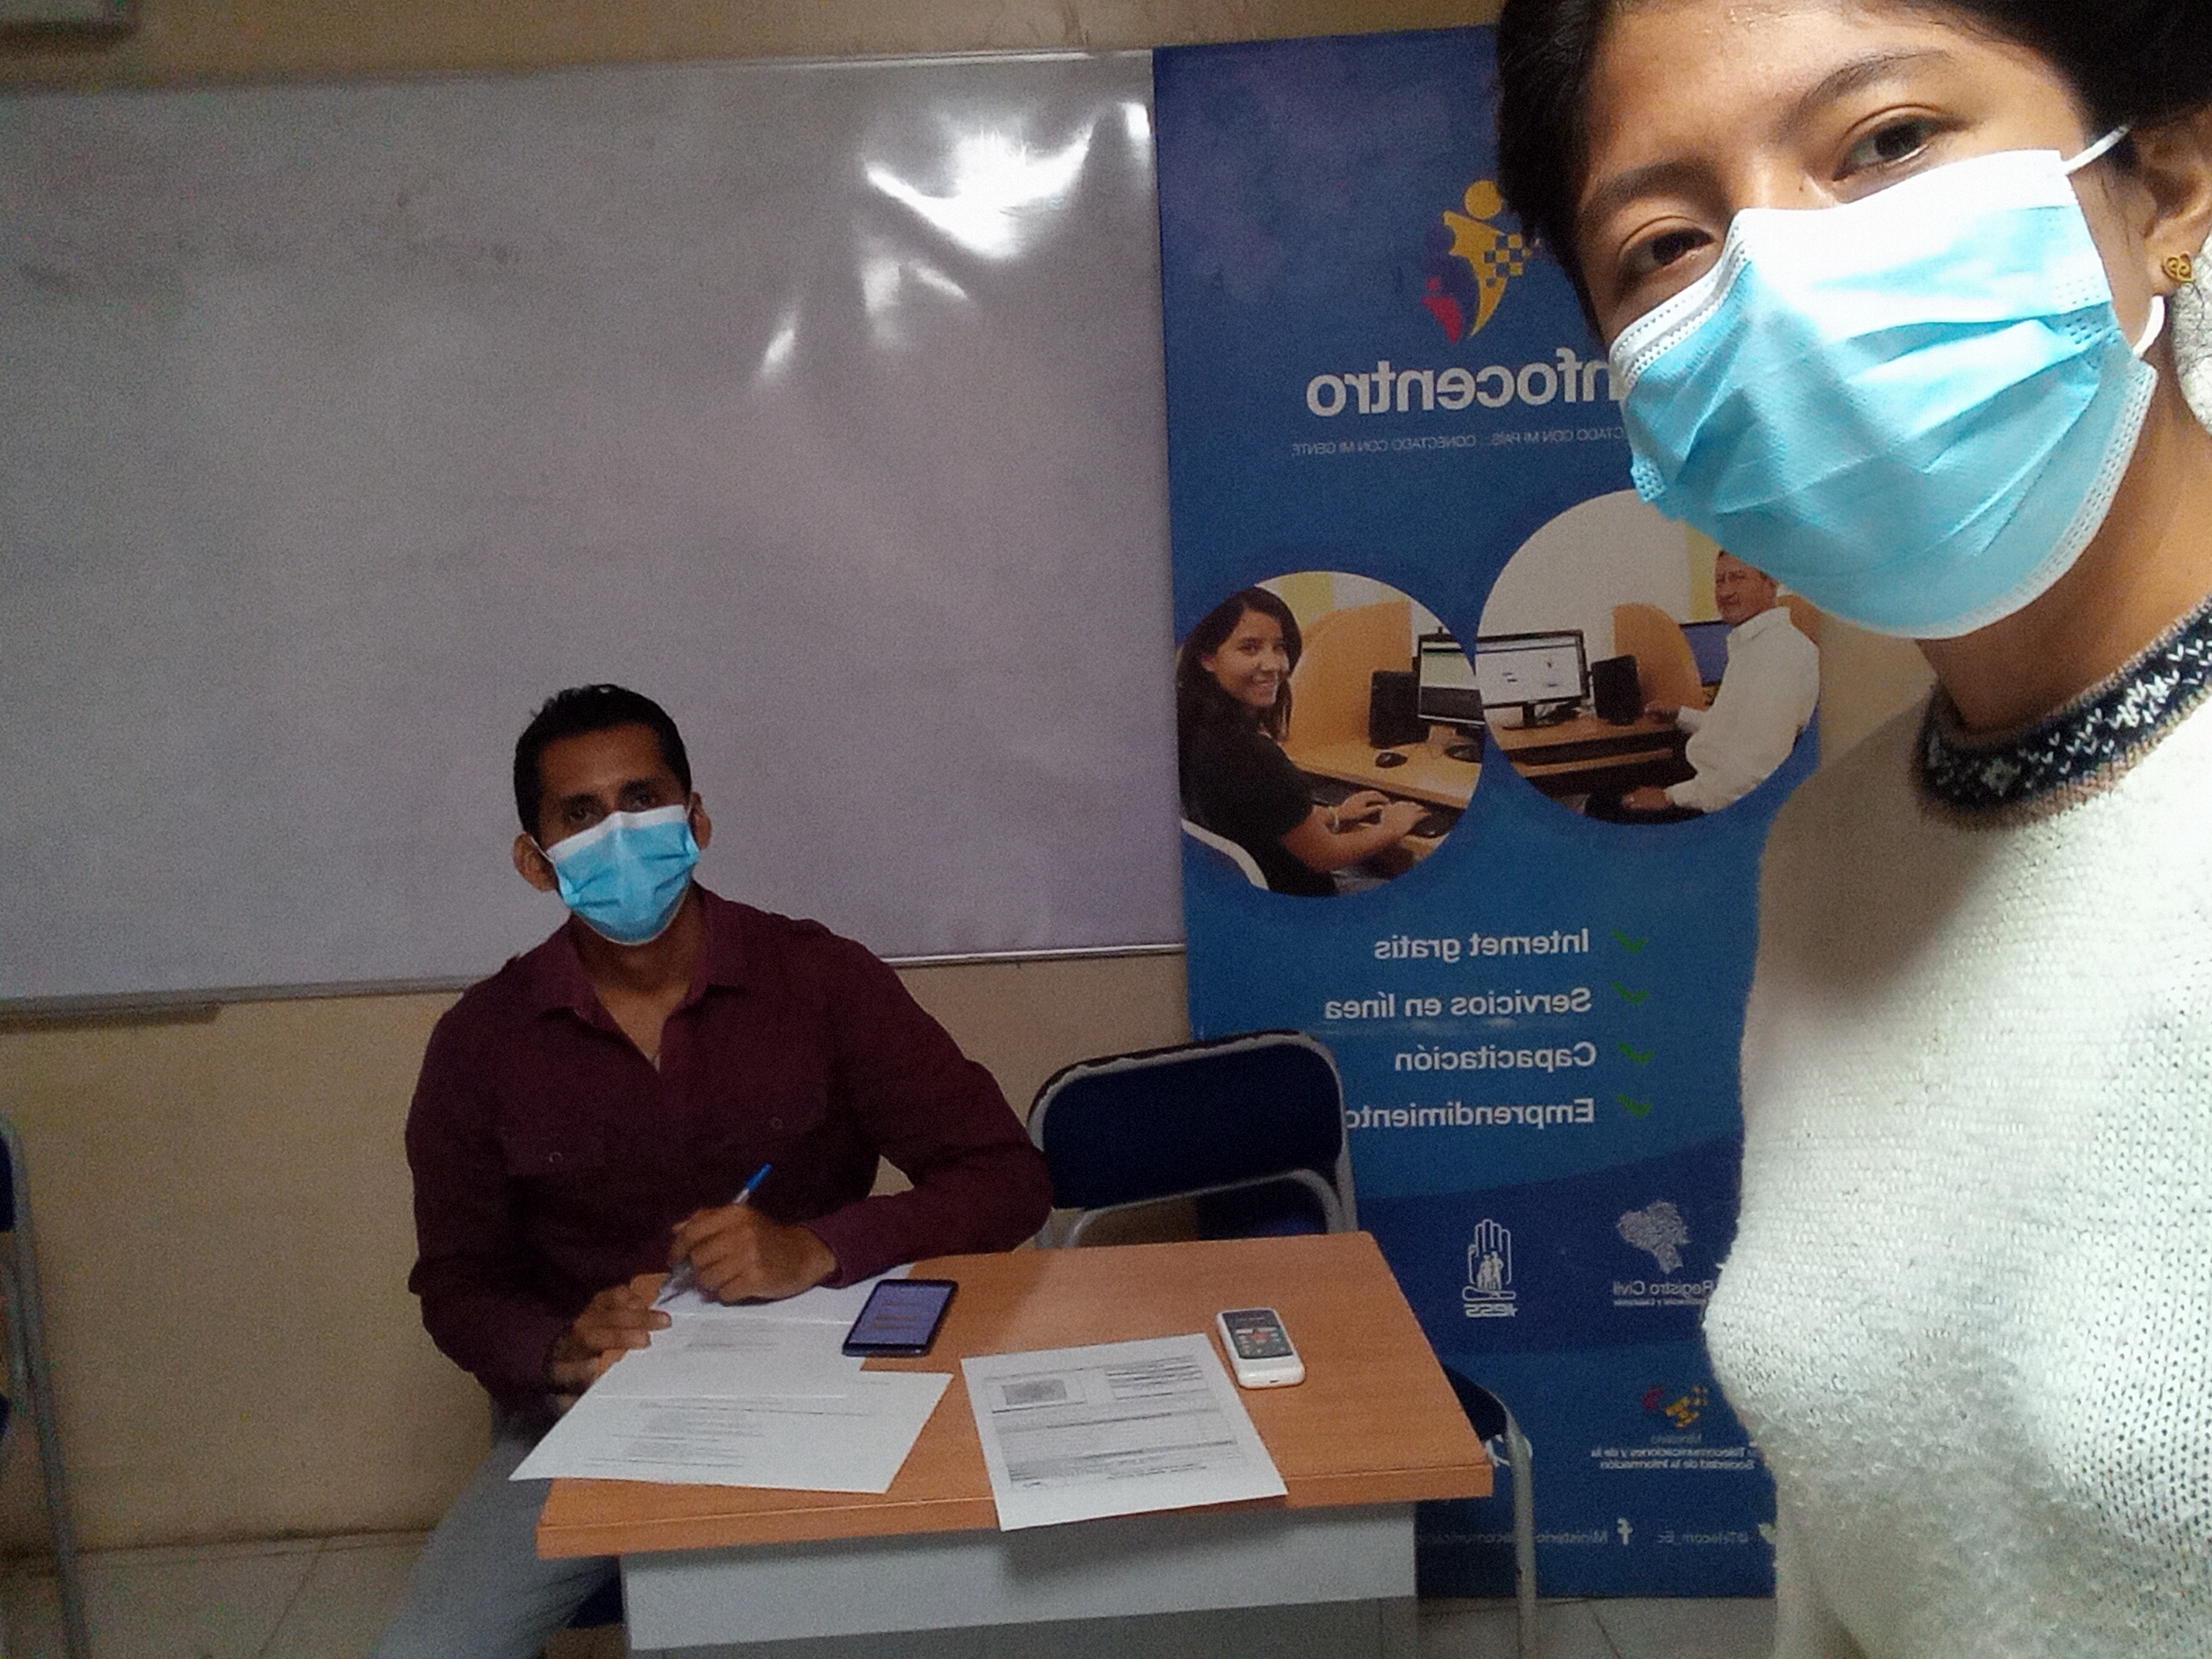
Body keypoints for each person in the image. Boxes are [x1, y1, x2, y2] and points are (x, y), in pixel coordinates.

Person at [1498, 1, 2211, 1653]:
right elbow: (1847, 1547)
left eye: (1885, 142)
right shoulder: (1832, 855)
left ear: (2167, 182)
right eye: (1664, 245)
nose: (1780, 291)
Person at [373, 684, 1053, 1659]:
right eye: (581, 815)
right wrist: (557, 1350)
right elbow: (454, 1284)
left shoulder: (819, 978)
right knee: (428, 1651)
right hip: (591, 1415)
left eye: (643, 800)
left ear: (694, 821)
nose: (619, 834)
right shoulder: (481, 1041)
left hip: (822, 1387)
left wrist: (816, 1247)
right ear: (535, 861)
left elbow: (1005, 1177)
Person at [1176, 586, 1426, 895]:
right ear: (1208, 658)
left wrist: (1335, 815)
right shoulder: (1250, 754)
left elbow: (1267, 816)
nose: (1273, 664)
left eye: (1279, 647)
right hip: (1306, 898)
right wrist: (1391, 827)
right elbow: (1325, 856)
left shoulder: (1194, 729)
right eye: (1250, 648)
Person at [1595, 551, 1820, 820]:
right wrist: (1682, 715)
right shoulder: (1756, 644)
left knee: (1602, 804)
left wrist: (1670, 796)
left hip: (1727, 803)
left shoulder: (1777, 654)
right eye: (1719, 581)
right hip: (1717, 785)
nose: (1725, 591)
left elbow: (1752, 775)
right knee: (1612, 787)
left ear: (1770, 581)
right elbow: (1739, 731)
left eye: (1738, 578)